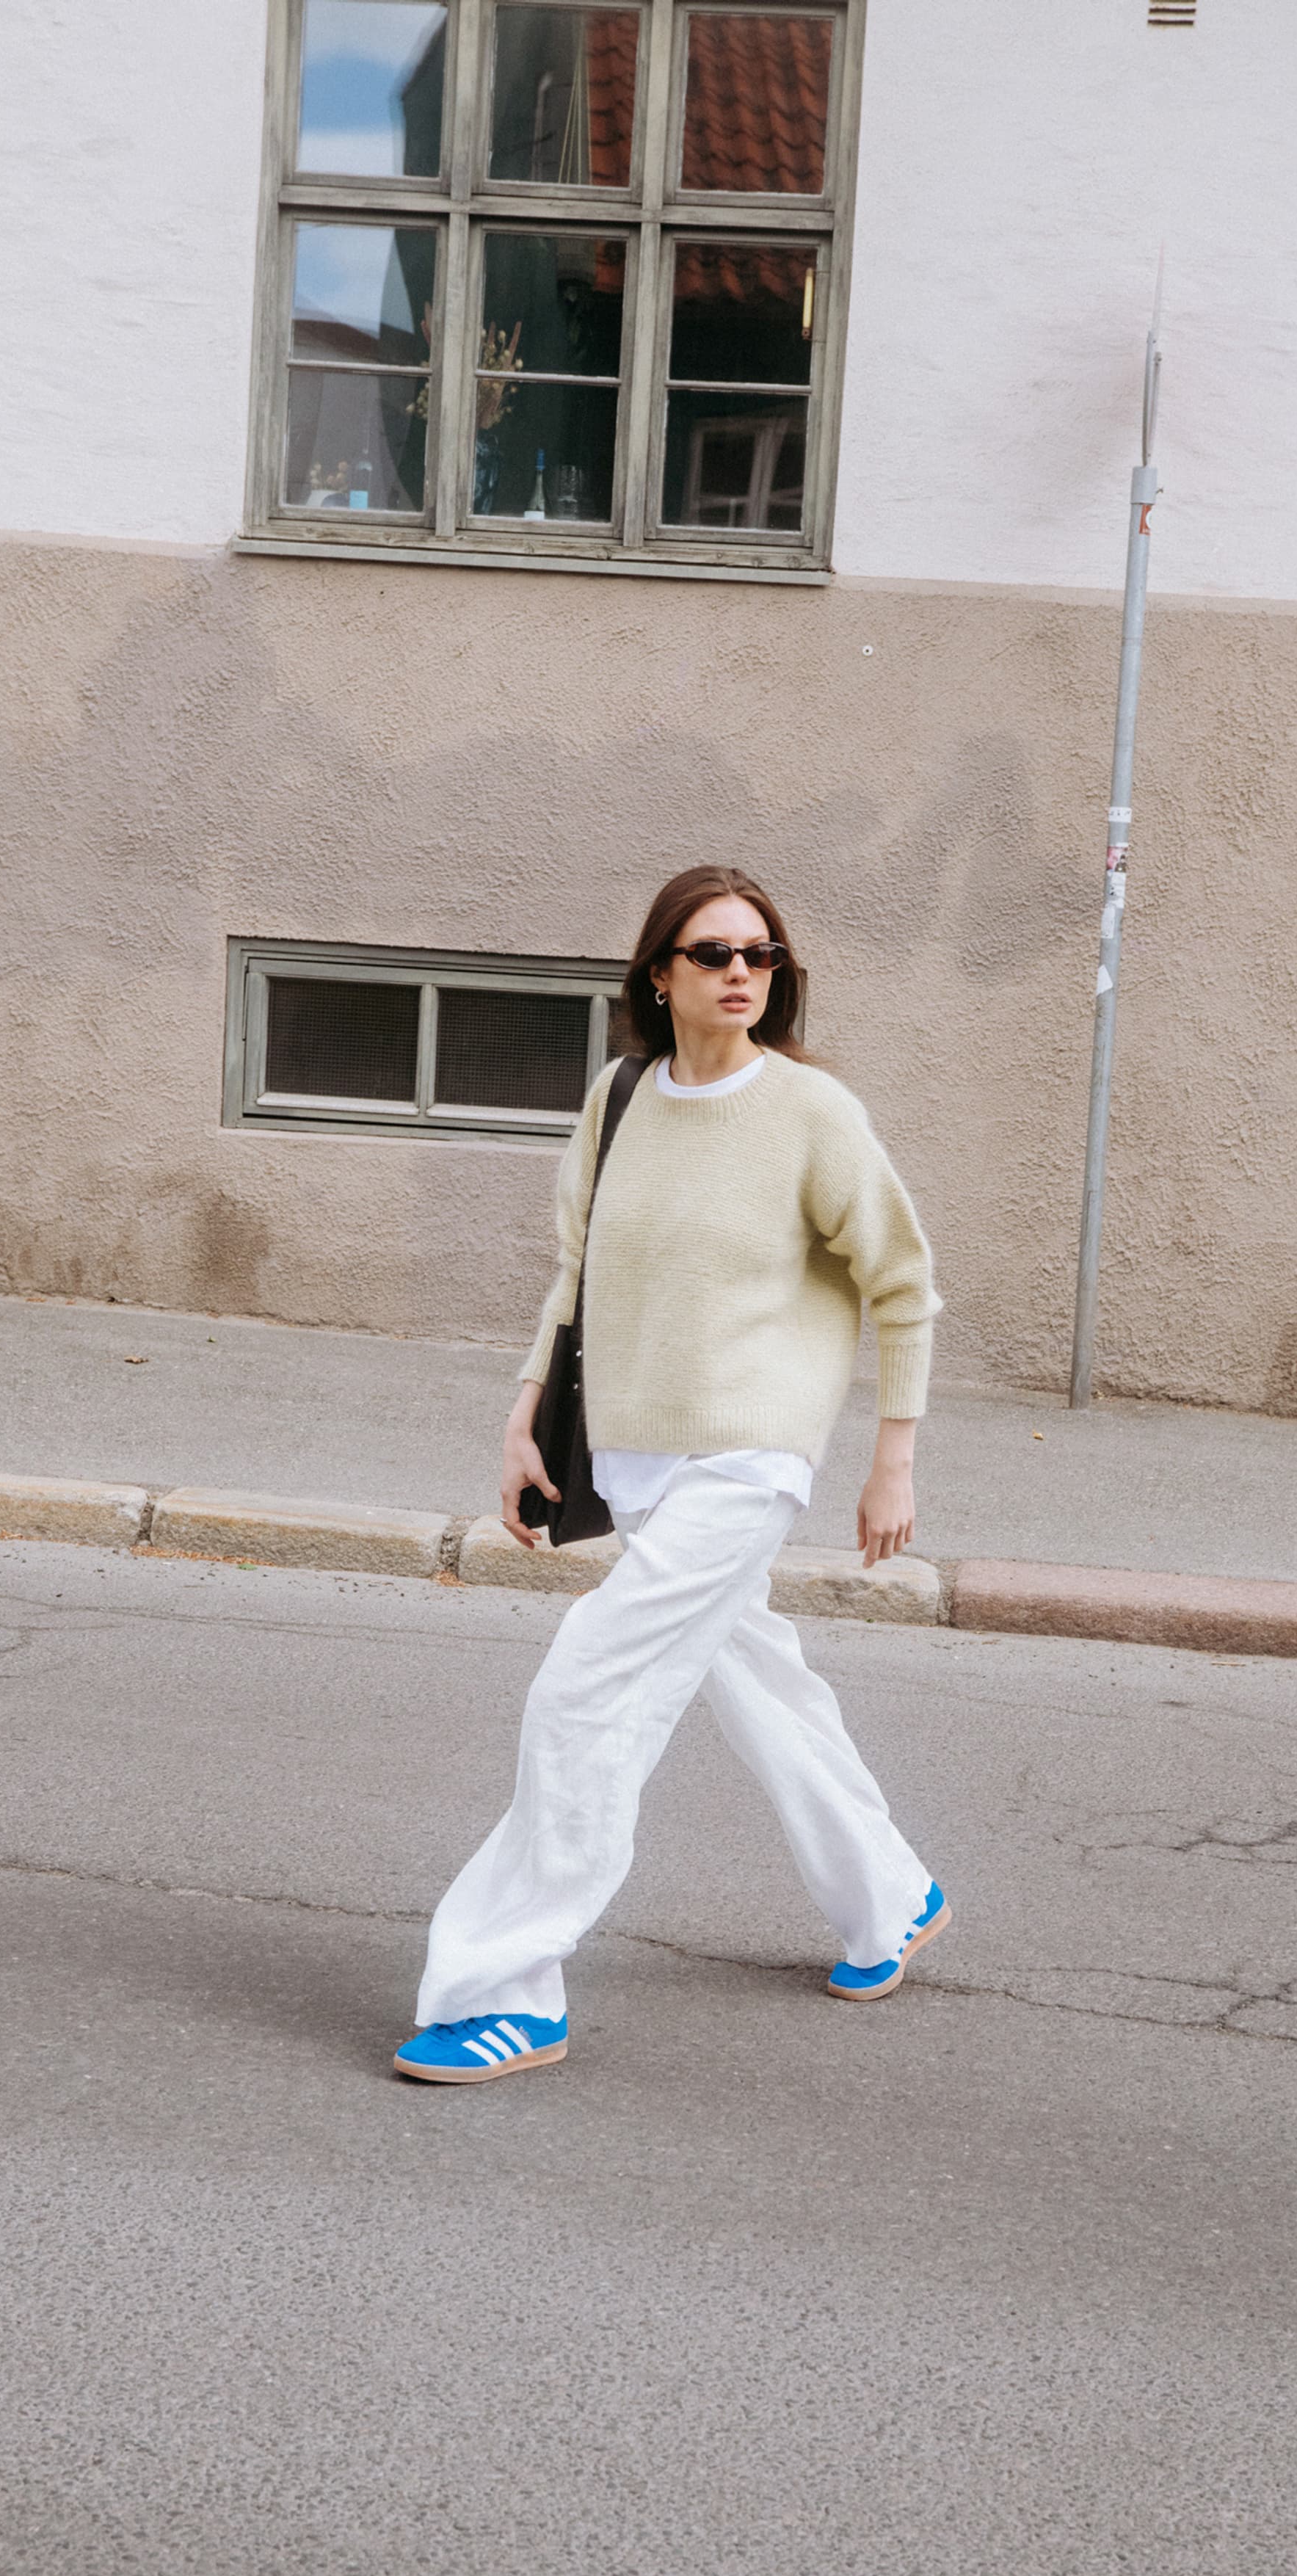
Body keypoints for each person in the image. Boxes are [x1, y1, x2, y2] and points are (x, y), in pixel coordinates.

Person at [393, 864, 947, 2085]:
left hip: (751, 1458)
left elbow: (902, 1286)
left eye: (761, 954)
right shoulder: (620, 1097)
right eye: (714, 953)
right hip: (637, 1454)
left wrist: (891, 1462)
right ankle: (890, 1893)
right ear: (659, 975)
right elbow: (576, 1272)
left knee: (587, 1693)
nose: (742, 972)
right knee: (757, 1680)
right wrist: (525, 1417)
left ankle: (505, 1985)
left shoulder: (813, 1113)